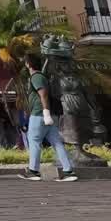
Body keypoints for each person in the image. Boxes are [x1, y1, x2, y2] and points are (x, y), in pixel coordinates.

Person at [18, 54, 77, 182]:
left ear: (28, 64)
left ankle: (33, 171)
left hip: (39, 114)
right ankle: (68, 171)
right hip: (46, 115)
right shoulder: (41, 76)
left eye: (25, 62)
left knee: (34, 141)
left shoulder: (36, 77)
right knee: (57, 143)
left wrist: (45, 113)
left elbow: (43, 94)